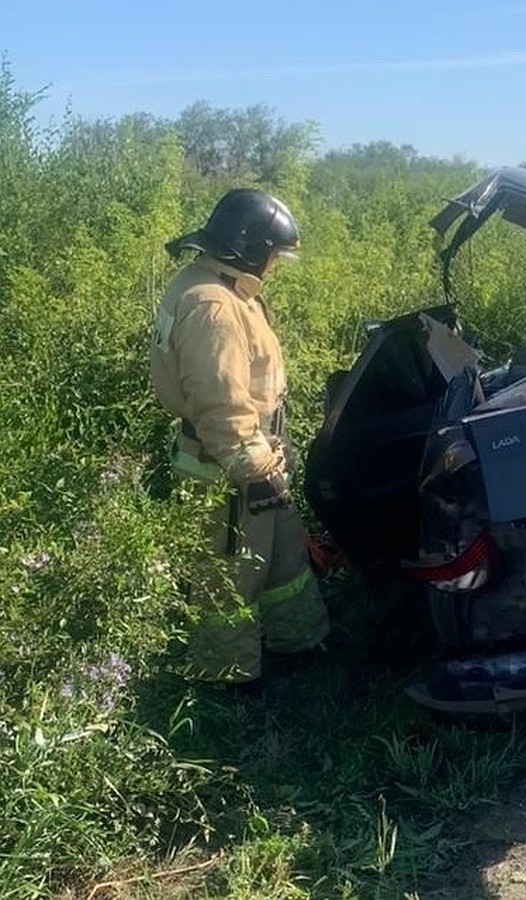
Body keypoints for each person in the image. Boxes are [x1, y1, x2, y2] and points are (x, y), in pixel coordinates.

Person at [150, 188, 330, 685]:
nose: (275, 265)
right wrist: (254, 469)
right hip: (228, 469)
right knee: (229, 578)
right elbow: (220, 403)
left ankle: (296, 642)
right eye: (274, 254)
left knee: (280, 560)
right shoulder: (215, 307)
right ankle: (225, 677)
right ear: (250, 248)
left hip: (254, 455)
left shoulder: (218, 285)